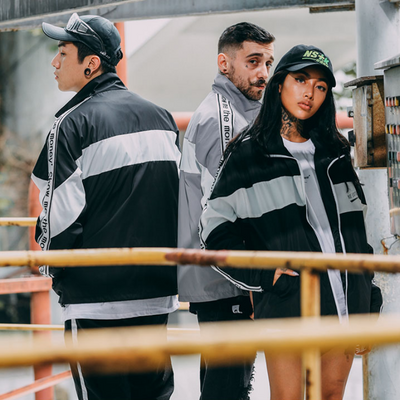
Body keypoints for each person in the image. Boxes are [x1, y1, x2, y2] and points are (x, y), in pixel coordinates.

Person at [199, 44, 383, 400]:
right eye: (301, 80)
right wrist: (262, 274)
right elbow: (213, 228)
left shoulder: (334, 152)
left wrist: (368, 301)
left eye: (320, 87)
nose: (309, 93)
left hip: (345, 302)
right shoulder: (250, 154)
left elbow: (358, 234)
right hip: (289, 305)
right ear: (280, 83)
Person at [31, 13, 180, 400]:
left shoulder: (71, 124)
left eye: (62, 52)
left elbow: (58, 222)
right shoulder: (162, 118)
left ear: (90, 63)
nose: (54, 62)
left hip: (95, 301)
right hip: (155, 295)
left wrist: (58, 278)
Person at [177, 22, 275, 400]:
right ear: (224, 62)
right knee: (228, 387)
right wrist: (252, 280)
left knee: (224, 382)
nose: (264, 73)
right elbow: (222, 214)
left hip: (223, 275)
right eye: (253, 61)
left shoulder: (245, 111)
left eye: (268, 61)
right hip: (225, 277)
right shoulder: (223, 121)